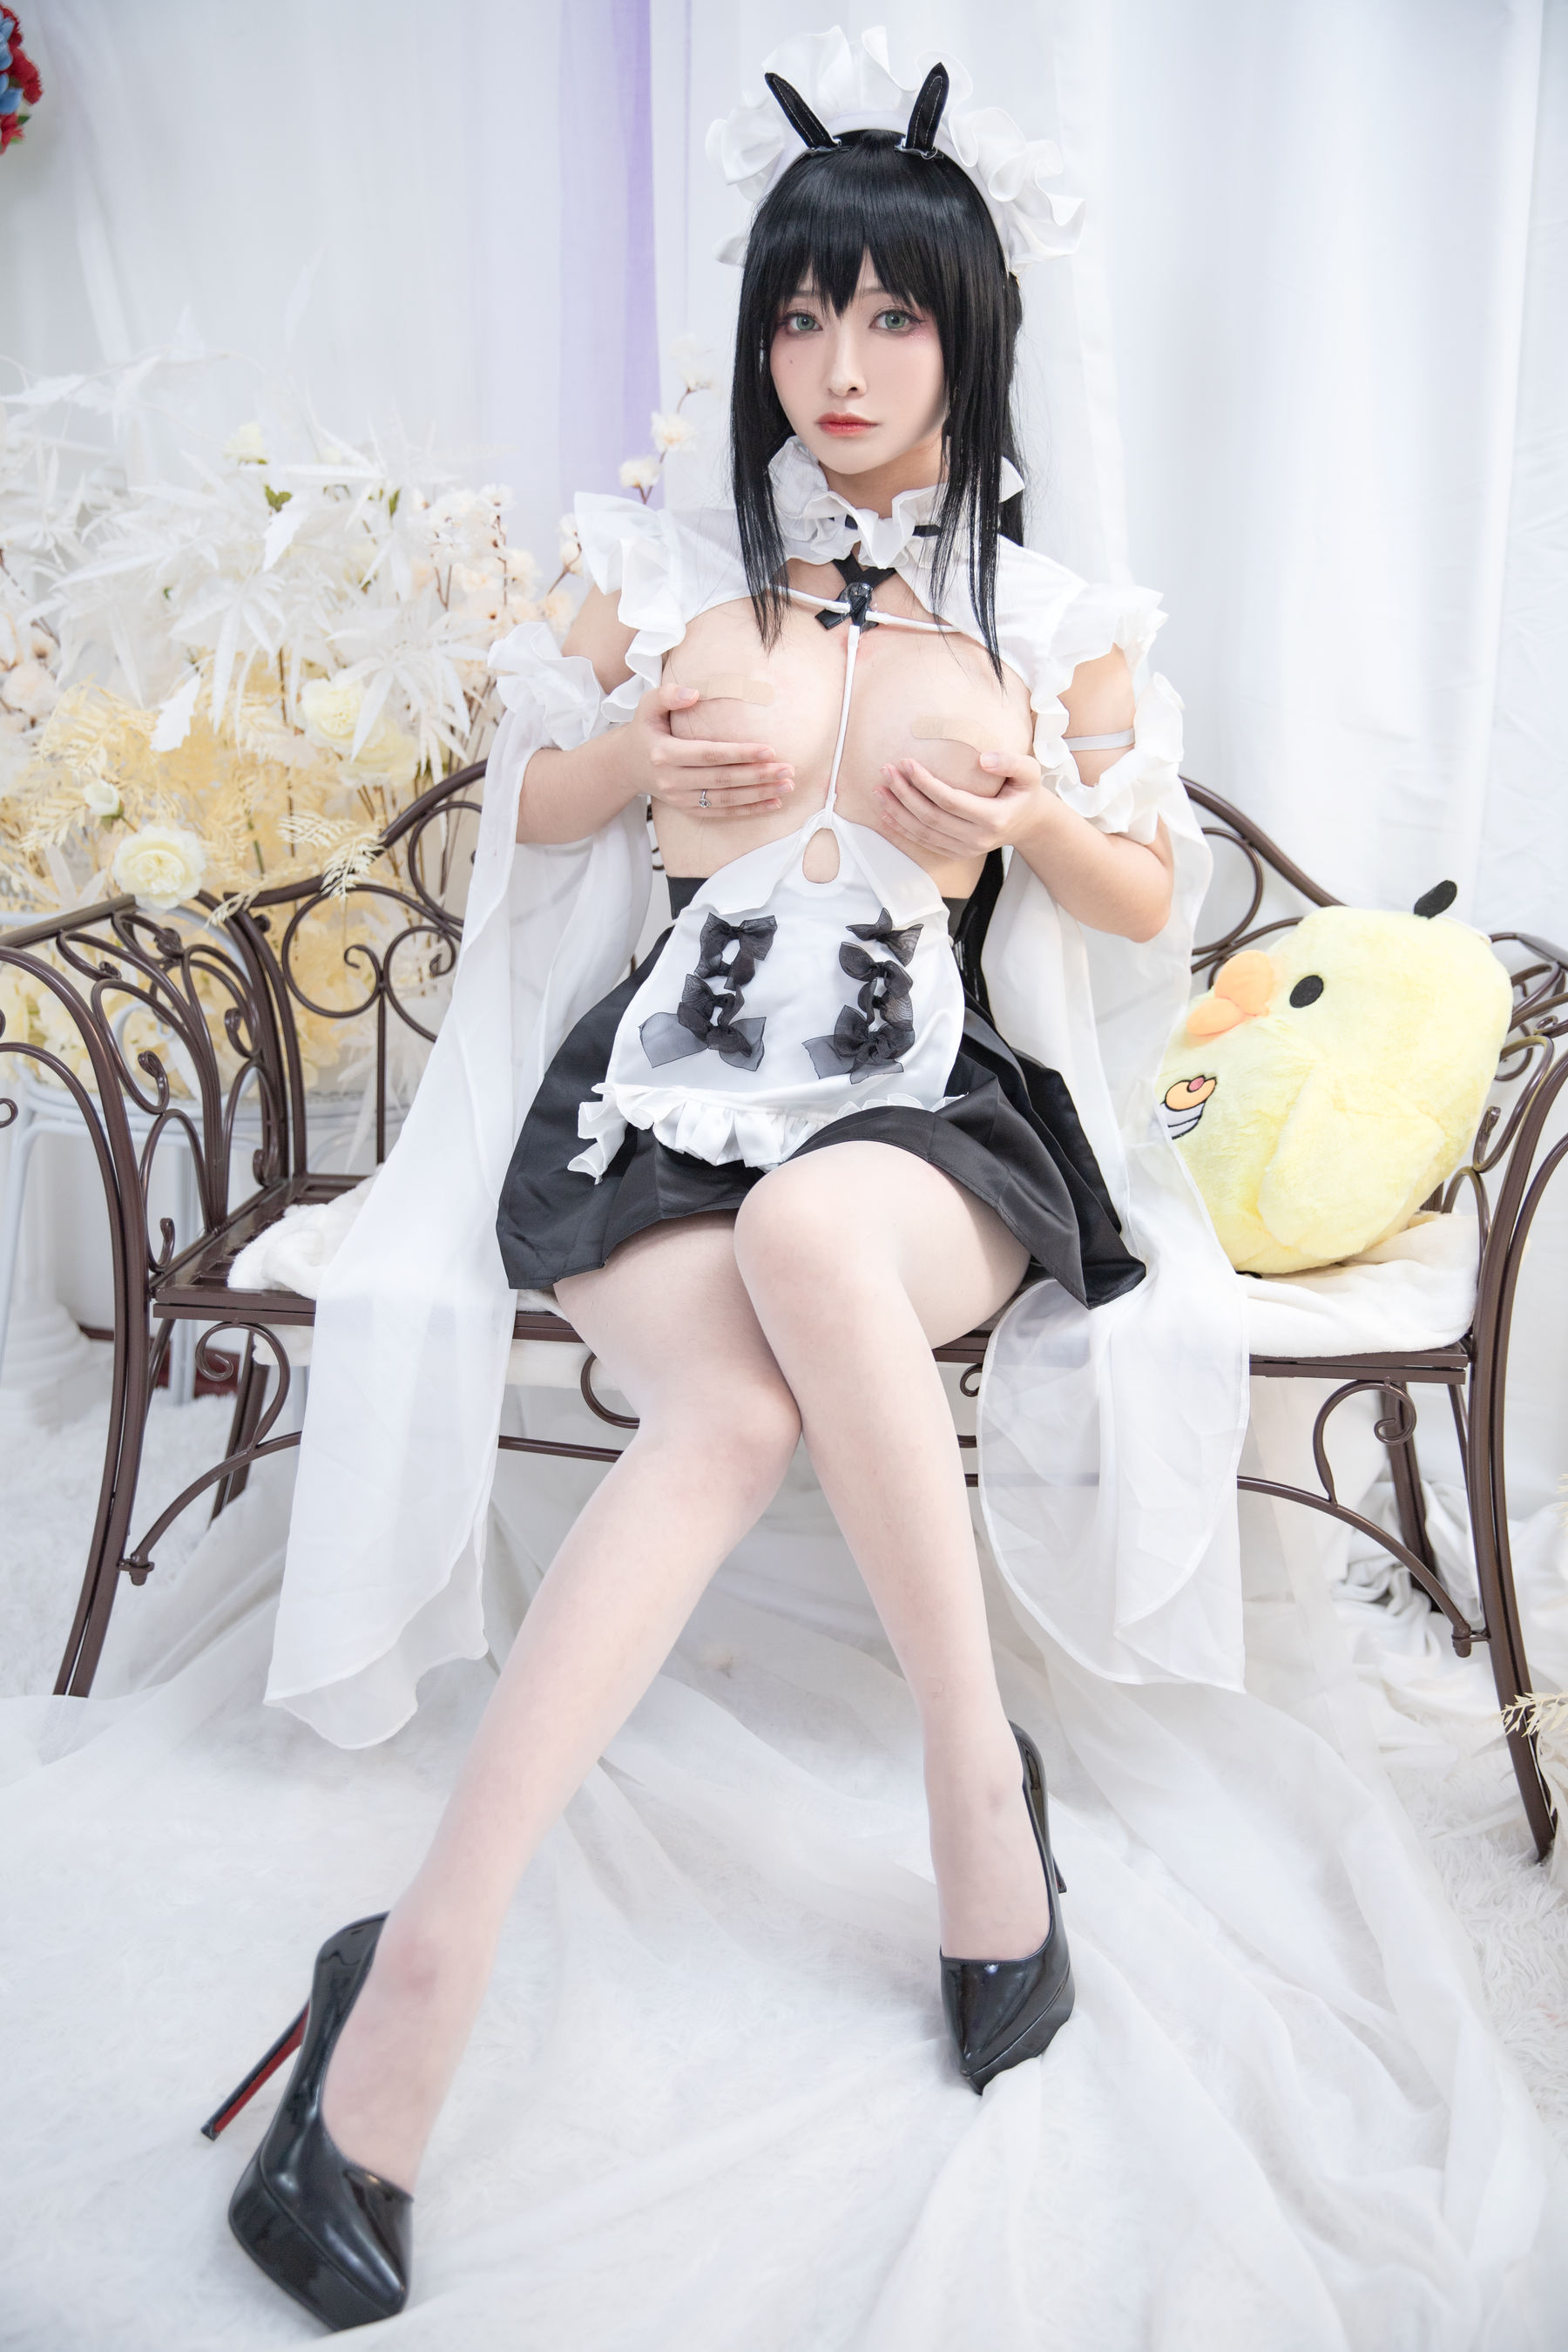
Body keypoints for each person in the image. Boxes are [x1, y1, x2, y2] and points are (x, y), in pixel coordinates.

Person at [208, 41, 1243, 2333]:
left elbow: (1149, 896)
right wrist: (630, 753)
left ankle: (966, 1792)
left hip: (930, 1117)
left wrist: (1023, 824)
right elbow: (528, 810)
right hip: (667, 1097)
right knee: (727, 1413)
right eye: (798, 315)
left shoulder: (1056, 610)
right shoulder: (662, 570)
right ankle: (416, 1977)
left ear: (968, 337)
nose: (836, 365)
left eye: (885, 317)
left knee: (812, 1236)